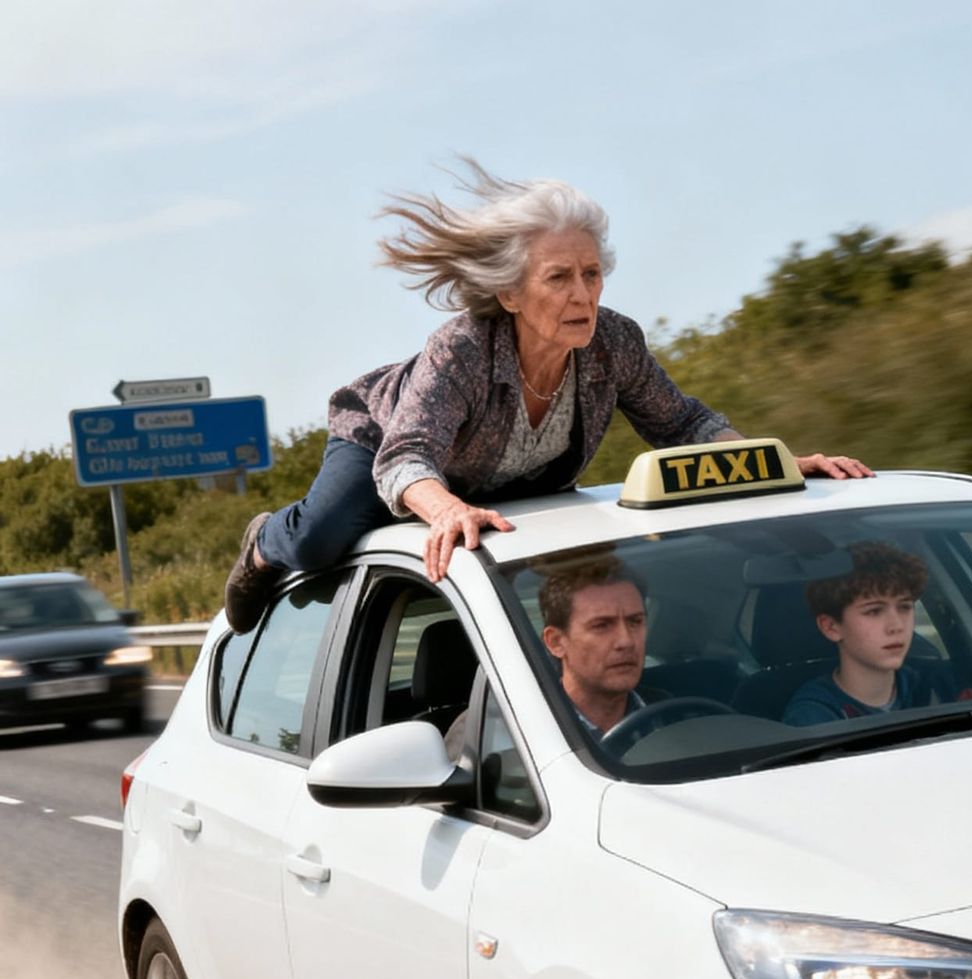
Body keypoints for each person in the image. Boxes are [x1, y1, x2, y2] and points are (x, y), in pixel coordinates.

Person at [225, 164, 872, 633]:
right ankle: (262, 542)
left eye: (591, 275)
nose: (583, 295)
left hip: (495, 478)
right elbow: (406, 458)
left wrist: (774, 463)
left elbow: (684, 424)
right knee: (319, 539)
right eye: (558, 278)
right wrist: (447, 508)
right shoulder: (462, 348)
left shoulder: (614, 343)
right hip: (384, 440)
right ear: (510, 293)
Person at [783, 542, 966, 725]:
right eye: (874, 611)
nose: (896, 626)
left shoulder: (939, 686)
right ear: (831, 627)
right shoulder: (814, 718)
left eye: (904, 607)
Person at [538, 554, 649, 736]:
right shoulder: (528, 731)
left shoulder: (681, 718)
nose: (626, 641)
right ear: (556, 642)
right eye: (601, 626)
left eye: (635, 621)